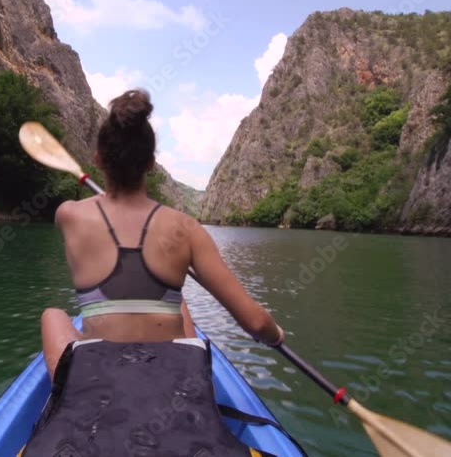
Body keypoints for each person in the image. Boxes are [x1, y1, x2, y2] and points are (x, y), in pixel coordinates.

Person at [21, 89, 287, 456]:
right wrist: (275, 333)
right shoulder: (186, 227)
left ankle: (70, 394)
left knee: (53, 315)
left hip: (99, 373)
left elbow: (106, 213)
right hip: (170, 378)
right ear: (150, 163)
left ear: (98, 159)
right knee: (178, 305)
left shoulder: (68, 215)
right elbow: (256, 324)